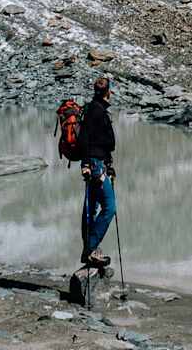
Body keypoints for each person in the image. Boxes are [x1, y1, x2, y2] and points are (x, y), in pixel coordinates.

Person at [77, 75, 116, 266]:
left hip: (97, 164)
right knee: (109, 207)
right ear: (108, 92)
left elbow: (101, 142)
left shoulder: (96, 108)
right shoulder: (96, 110)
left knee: (91, 209)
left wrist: (109, 166)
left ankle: (89, 249)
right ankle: (91, 249)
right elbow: (85, 138)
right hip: (94, 165)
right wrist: (86, 164)